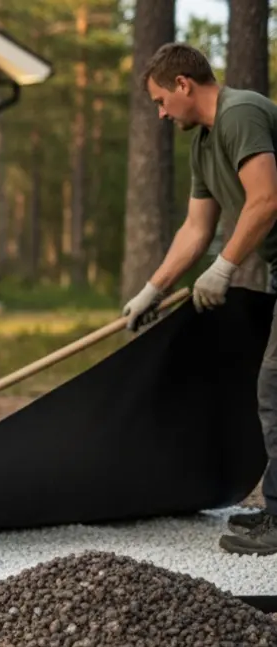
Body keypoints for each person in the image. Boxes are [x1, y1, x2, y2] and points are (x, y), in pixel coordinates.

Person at [121, 42, 277, 554]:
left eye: (161, 100)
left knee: (275, 387)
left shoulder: (242, 113)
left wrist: (225, 267)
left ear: (184, 84)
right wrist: (153, 288)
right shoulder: (204, 145)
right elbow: (195, 228)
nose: (162, 113)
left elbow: (267, 199)